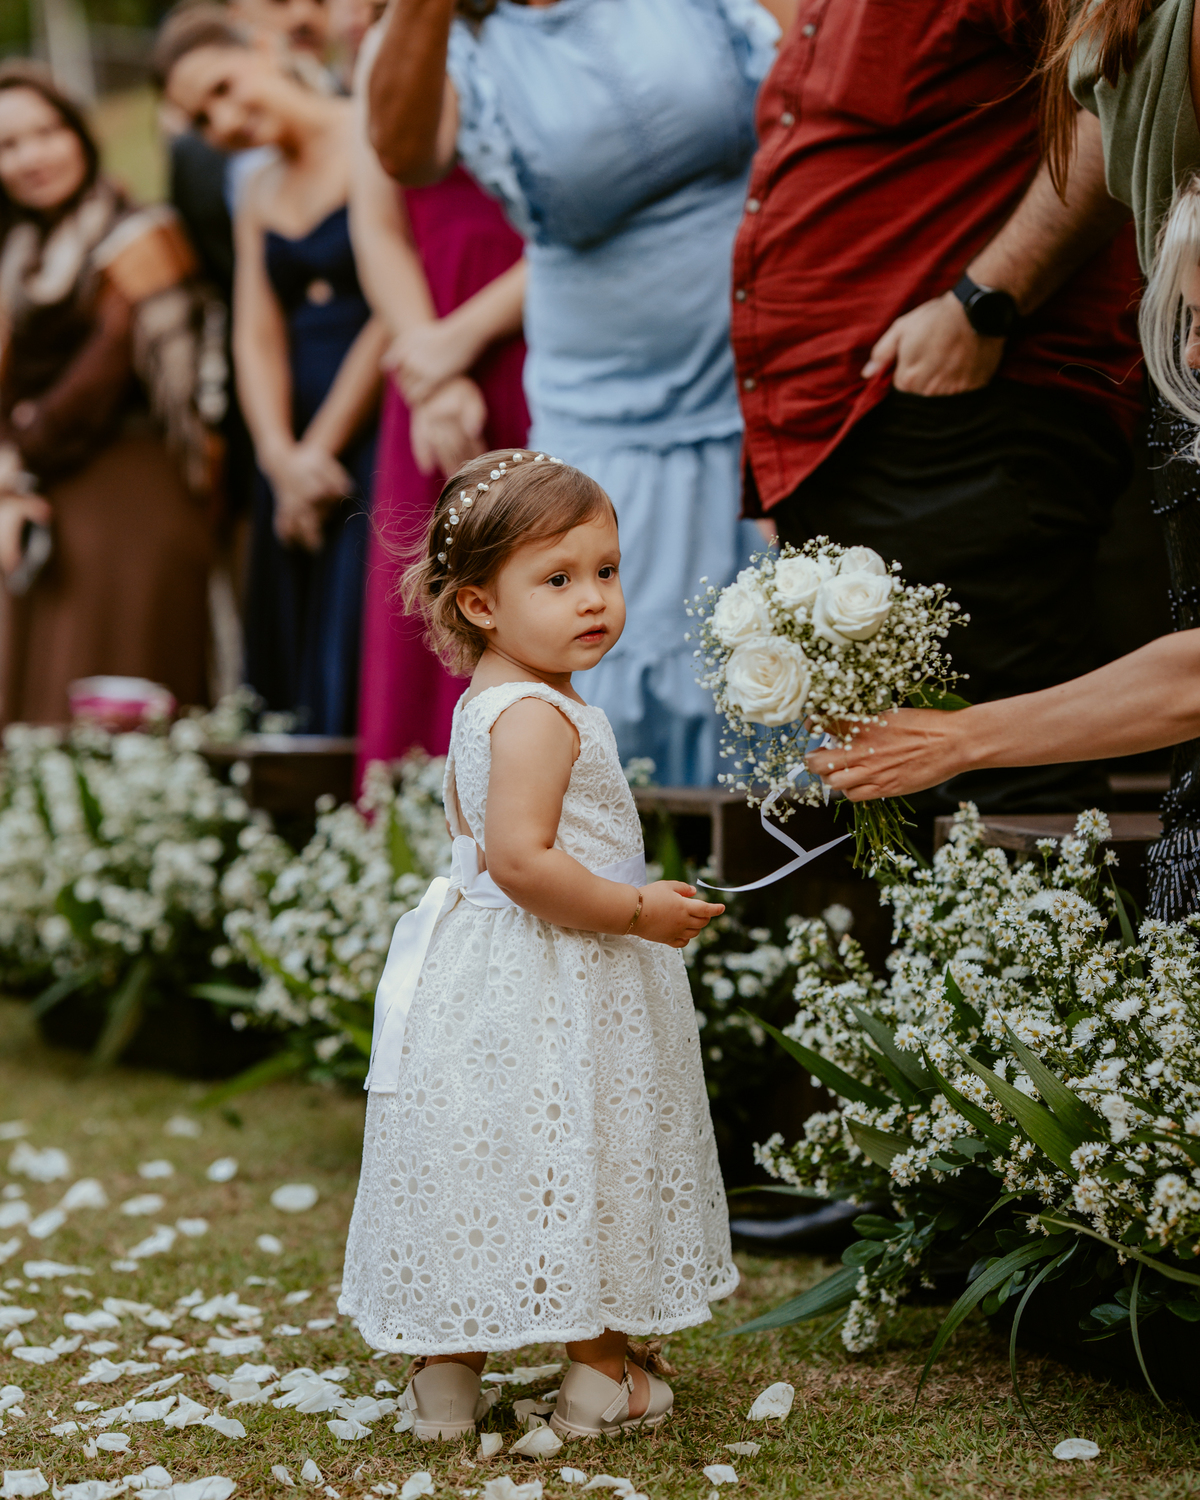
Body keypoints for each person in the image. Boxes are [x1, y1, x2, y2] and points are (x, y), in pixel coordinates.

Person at [338, 449, 734, 1437]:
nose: (594, 598)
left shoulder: (496, 704)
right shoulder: (538, 719)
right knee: (583, 1151)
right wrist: (642, 910)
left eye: (606, 572)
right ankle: (603, 1376)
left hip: (491, 981)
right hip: (558, 977)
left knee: (492, 1161)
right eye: (557, 580)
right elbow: (519, 861)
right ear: (479, 605)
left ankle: (446, 1384)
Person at [731, 0, 1145, 814]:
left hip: (969, 409)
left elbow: (1117, 90)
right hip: (851, 422)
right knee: (896, 791)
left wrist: (984, 301)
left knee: (1011, 789)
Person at [364, 0, 789, 786]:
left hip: (773, 355)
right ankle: (626, 885)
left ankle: (787, 883)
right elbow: (404, 155)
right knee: (615, 647)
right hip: (612, 395)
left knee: (784, 649)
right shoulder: (450, 35)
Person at [158, 6, 386, 735]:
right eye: (201, 118)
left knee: (359, 621)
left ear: (262, 49)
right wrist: (281, 457)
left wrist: (321, 446)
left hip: (375, 412)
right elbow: (255, 332)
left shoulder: (374, 133)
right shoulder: (254, 187)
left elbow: (395, 307)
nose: (222, 120)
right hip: (287, 434)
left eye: (224, 88)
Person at [0, 63, 215, 724]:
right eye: (9, 145)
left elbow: (100, 377)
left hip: (133, 489)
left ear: (80, 134)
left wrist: (17, 464)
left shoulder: (141, 234)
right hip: (41, 496)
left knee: (114, 686)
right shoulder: (17, 253)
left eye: (47, 132)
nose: (33, 156)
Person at [349, 32, 527, 772]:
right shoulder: (392, 44)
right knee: (435, 594)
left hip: (537, 336)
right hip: (427, 353)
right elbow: (378, 226)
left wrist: (464, 337)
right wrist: (431, 365)